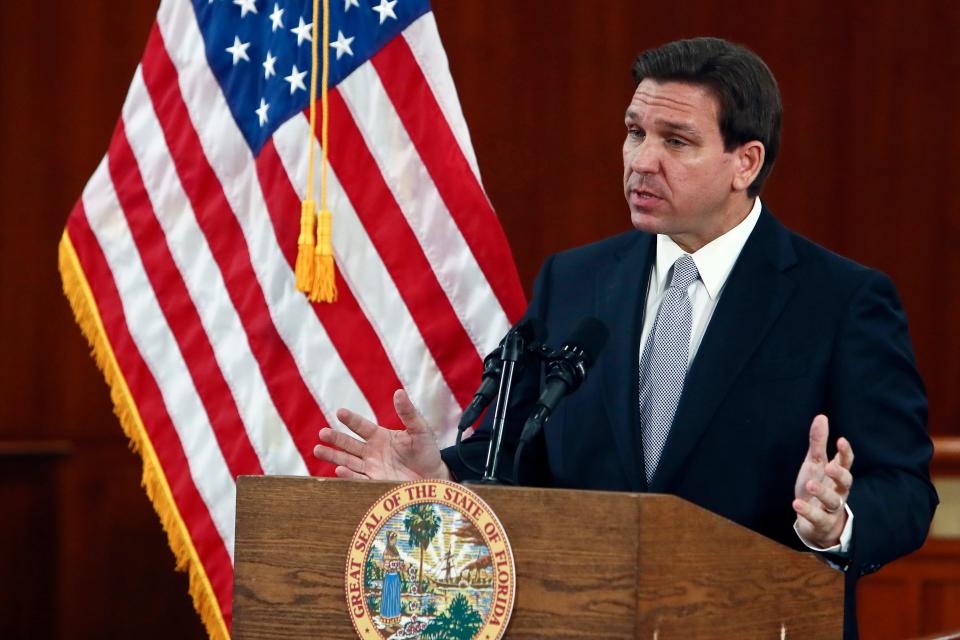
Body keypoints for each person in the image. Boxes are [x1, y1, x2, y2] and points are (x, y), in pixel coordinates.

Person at [314, 37, 938, 639]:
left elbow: (905, 489)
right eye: (635, 132)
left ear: (744, 162)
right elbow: (524, 455)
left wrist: (837, 523)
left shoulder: (841, 301)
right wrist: (441, 476)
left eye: (676, 141)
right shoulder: (576, 280)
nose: (641, 160)